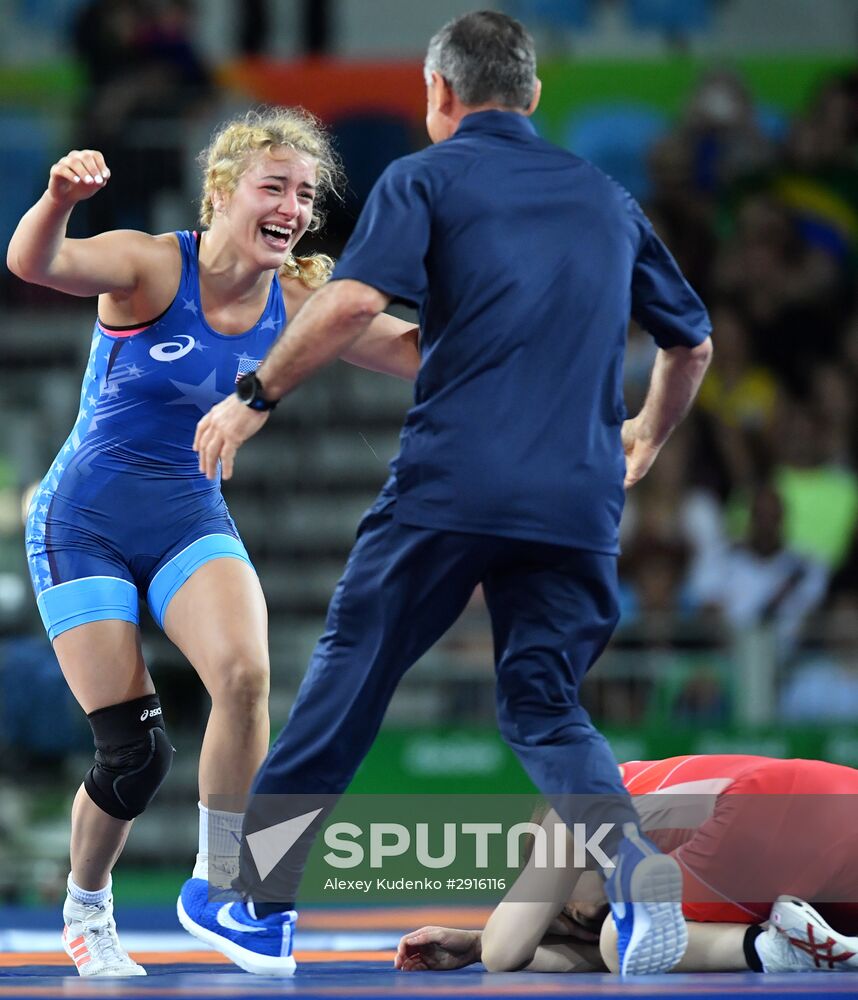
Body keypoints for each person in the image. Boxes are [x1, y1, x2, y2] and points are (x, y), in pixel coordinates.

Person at [180, 11, 712, 977]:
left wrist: (255, 394)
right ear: (535, 96)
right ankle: (629, 868)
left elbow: (348, 302)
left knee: (351, 676)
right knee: (547, 706)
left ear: (439, 94)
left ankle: (259, 903)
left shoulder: (425, 177)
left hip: (454, 483)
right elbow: (693, 342)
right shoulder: (605, 197)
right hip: (579, 499)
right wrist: (646, 435)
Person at [6, 107, 419, 978]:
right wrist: (55, 198)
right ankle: (87, 907)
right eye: (276, 187)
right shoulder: (154, 265)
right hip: (81, 524)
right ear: (223, 194)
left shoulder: (302, 299)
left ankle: (219, 881)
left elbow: (411, 351)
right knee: (134, 756)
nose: (295, 208)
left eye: (306, 195)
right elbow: (33, 262)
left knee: (244, 674)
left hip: (189, 514)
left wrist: (508, 323)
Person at [395, 754, 858, 976]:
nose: (585, 916)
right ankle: (800, 944)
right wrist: (478, 944)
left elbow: (504, 954)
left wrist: (483, 945)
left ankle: (782, 952)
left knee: (626, 938)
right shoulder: (641, 794)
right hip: (834, 801)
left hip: (764, 808)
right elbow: (661, 948)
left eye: (570, 907)